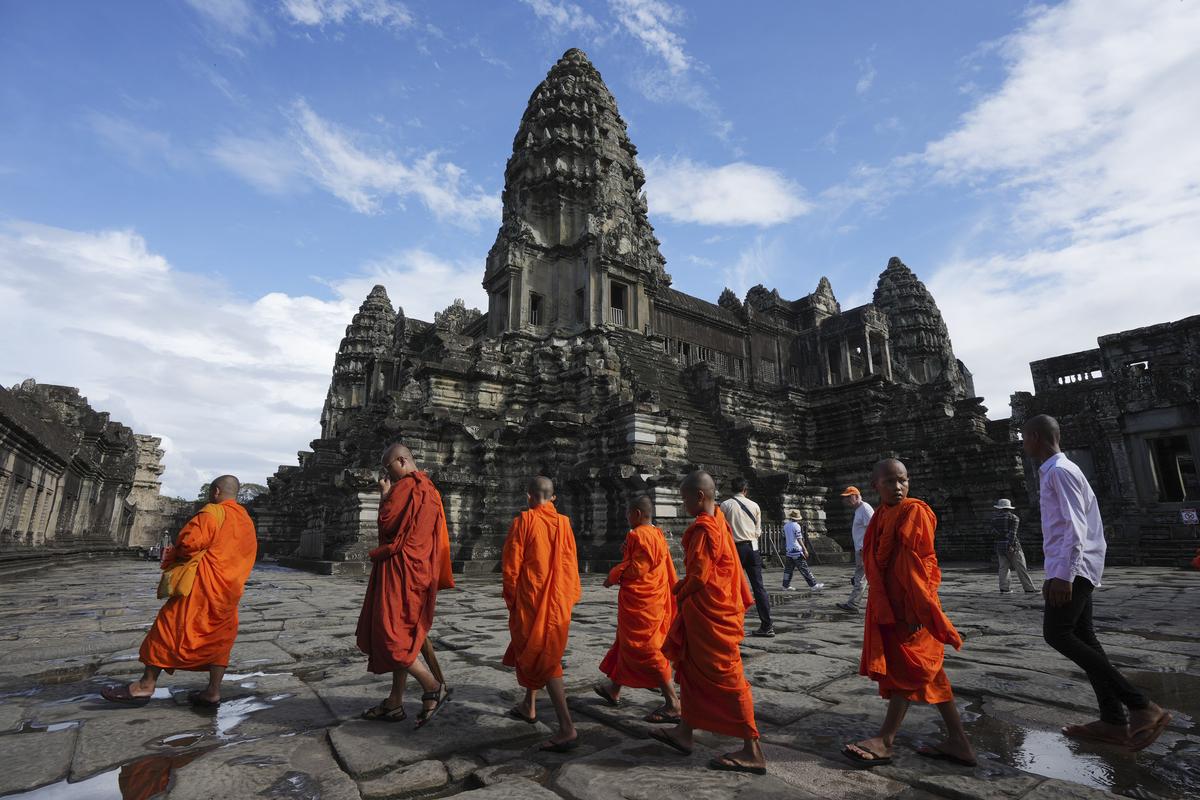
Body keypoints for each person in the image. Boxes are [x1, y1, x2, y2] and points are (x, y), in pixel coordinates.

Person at [1023, 414, 1171, 750]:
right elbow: (1063, 527)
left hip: (1074, 568)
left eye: (1024, 437)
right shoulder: (1058, 470)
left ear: (1035, 436)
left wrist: (1063, 575)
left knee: (1057, 634)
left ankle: (1141, 705)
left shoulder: (1059, 471)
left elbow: (1075, 527)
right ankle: (1113, 720)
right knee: (1083, 636)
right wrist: (1055, 571)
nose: (1022, 444)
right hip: (1073, 566)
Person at [842, 459, 976, 768]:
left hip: (913, 606)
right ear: (875, 486)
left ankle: (886, 740)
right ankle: (959, 742)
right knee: (928, 672)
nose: (897, 486)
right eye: (889, 482)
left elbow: (922, 564)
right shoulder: (882, 516)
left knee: (909, 667)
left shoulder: (914, 510)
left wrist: (920, 605)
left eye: (902, 480)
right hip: (893, 604)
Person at [102, 475, 257, 708]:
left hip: (200, 588)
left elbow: (188, 544)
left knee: (168, 629)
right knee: (220, 638)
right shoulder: (246, 520)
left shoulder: (212, 513)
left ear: (215, 491)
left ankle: (145, 685)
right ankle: (213, 691)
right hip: (229, 589)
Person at [651, 470, 766, 775]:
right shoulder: (720, 524)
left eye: (685, 497)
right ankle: (684, 732)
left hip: (711, 614)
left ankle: (752, 749)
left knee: (726, 675)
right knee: (691, 670)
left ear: (699, 496)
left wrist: (678, 588)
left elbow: (700, 577)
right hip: (712, 611)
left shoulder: (704, 528)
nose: (683, 503)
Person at [355, 443, 452, 727]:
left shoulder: (405, 488)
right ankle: (395, 703)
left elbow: (387, 528)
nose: (388, 475)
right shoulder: (430, 490)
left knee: (391, 635)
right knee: (407, 635)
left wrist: (385, 497)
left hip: (400, 572)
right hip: (419, 572)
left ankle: (431, 684)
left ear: (401, 460)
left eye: (389, 468)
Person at [502, 476, 582, 752]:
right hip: (558, 600)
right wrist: (569, 596)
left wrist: (512, 600)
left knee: (545, 658)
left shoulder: (522, 522)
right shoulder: (564, 524)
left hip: (532, 600)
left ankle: (566, 727)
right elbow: (571, 562)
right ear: (554, 498)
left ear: (528, 496)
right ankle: (529, 704)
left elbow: (511, 568)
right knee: (536, 649)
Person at [595, 495, 681, 723]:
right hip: (654, 598)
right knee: (627, 642)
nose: (626, 518)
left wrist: (614, 574)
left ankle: (673, 702)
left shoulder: (637, 534)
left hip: (643, 603)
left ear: (635, 514)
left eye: (627, 514)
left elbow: (637, 569)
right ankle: (614, 689)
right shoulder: (657, 533)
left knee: (647, 648)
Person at [719, 477, 774, 637]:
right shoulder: (755, 505)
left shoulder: (725, 505)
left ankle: (731, 624)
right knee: (758, 587)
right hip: (753, 547)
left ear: (732, 489)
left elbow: (722, 529)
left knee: (731, 586)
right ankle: (767, 625)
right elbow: (758, 531)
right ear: (745, 490)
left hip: (736, 548)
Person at [836, 486, 872, 612]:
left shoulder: (865, 509)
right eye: (845, 498)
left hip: (864, 549)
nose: (846, 500)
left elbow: (872, 530)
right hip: (861, 549)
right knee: (862, 577)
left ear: (857, 496)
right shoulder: (858, 510)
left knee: (860, 577)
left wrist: (864, 548)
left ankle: (853, 604)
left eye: (849, 497)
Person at [991, 498, 1036, 594]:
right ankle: (1029, 588)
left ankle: (1004, 588)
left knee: (1003, 568)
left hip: (1000, 545)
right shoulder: (1014, 518)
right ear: (1009, 508)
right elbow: (1013, 533)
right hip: (1013, 546)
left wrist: (1001, 539)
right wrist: (1010, 544)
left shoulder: (994, 519)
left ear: (999, 508)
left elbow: (993, 532)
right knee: (1021, 567)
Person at [781, 509, 824, 590]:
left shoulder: (786, 525)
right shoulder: (796, 526)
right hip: (797, 550)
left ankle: (785, 585)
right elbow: (799, 539)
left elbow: (784, 538)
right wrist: (805, 549)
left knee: (788, 569)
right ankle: (813, 585)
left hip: (789, 550)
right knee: (804, 569)